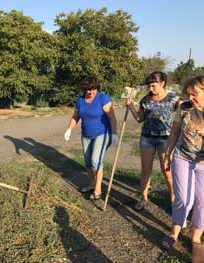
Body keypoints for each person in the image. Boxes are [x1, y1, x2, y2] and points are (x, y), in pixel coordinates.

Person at [160, 76, 204, 260]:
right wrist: (167, 154)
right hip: (182, 157)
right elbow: (175, 132)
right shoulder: (184, 108)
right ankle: (174, 232)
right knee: (183, 199)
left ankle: (196, 237)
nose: (190, 98)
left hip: (202, 163)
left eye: (194, 94)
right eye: (188, 94)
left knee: (202, 200)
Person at [126, 71, 181, 210]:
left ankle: (174, 200)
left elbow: (186, 109)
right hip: (147, 138)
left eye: (153, 85)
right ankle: (143, 198)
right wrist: (131, 106)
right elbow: (139, 118)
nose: (150, 89)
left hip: (165, 139)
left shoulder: (173, 99)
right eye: (149, 86)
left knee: (167, 171)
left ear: (162, 83)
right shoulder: (145, 100)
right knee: (145, 170)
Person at [64, 75, 118, 200]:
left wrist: (114, 133)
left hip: (102, 133)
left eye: (94, 89)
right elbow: (75, 116)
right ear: (84, 89)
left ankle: (98, 190)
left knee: (95, 161)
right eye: (88, 89)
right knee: (88, 162)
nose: (91, 92)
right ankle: (92, 184)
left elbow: (112, 118)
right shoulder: (80, 100)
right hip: (86, 134)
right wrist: (69, 129)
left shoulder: (102, 98)